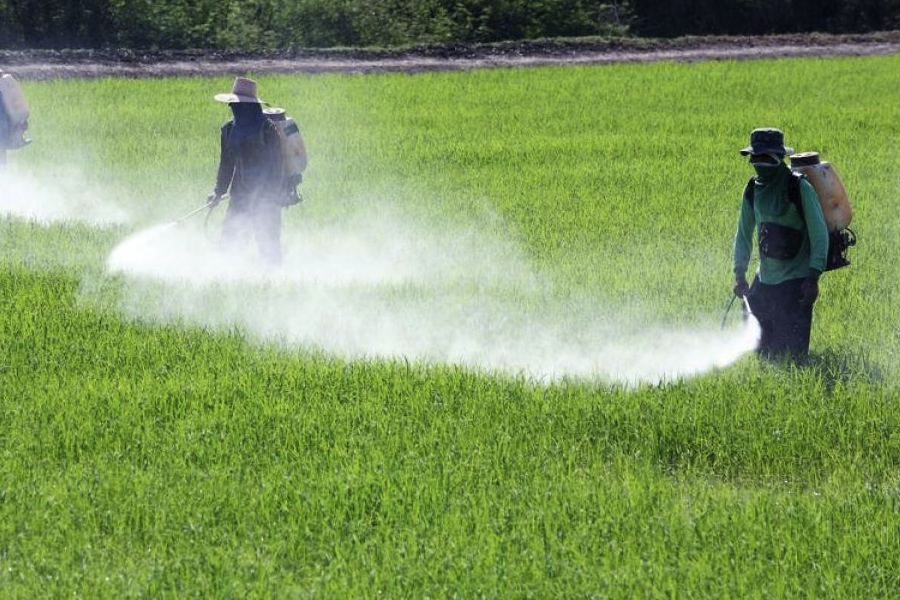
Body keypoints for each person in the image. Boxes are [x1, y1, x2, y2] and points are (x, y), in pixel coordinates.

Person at [732, 128, 829, 361]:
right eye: (755, 158)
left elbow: (820, 235)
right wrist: (739, 274)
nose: (758, 164)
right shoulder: (752, 189)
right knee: (762, 353)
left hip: (795, 281)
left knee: (791, 356)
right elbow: (743, 233)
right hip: (764, 279)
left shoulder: (799, 188)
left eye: (765, 159)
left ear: (778, 158)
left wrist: (813, 279)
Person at [209, 77, 286, 264]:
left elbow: (278, 164)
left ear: (248, 107)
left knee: (268, 242)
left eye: (236, 105)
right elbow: (226, 164)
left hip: (266, 195)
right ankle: (229, 277)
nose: (232, 108)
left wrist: (272, 195)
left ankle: (274, 278)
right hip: (240, 195)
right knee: (230, 239)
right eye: (232, 105)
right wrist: (218, 192)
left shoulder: (267, 129)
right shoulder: (228, 130)